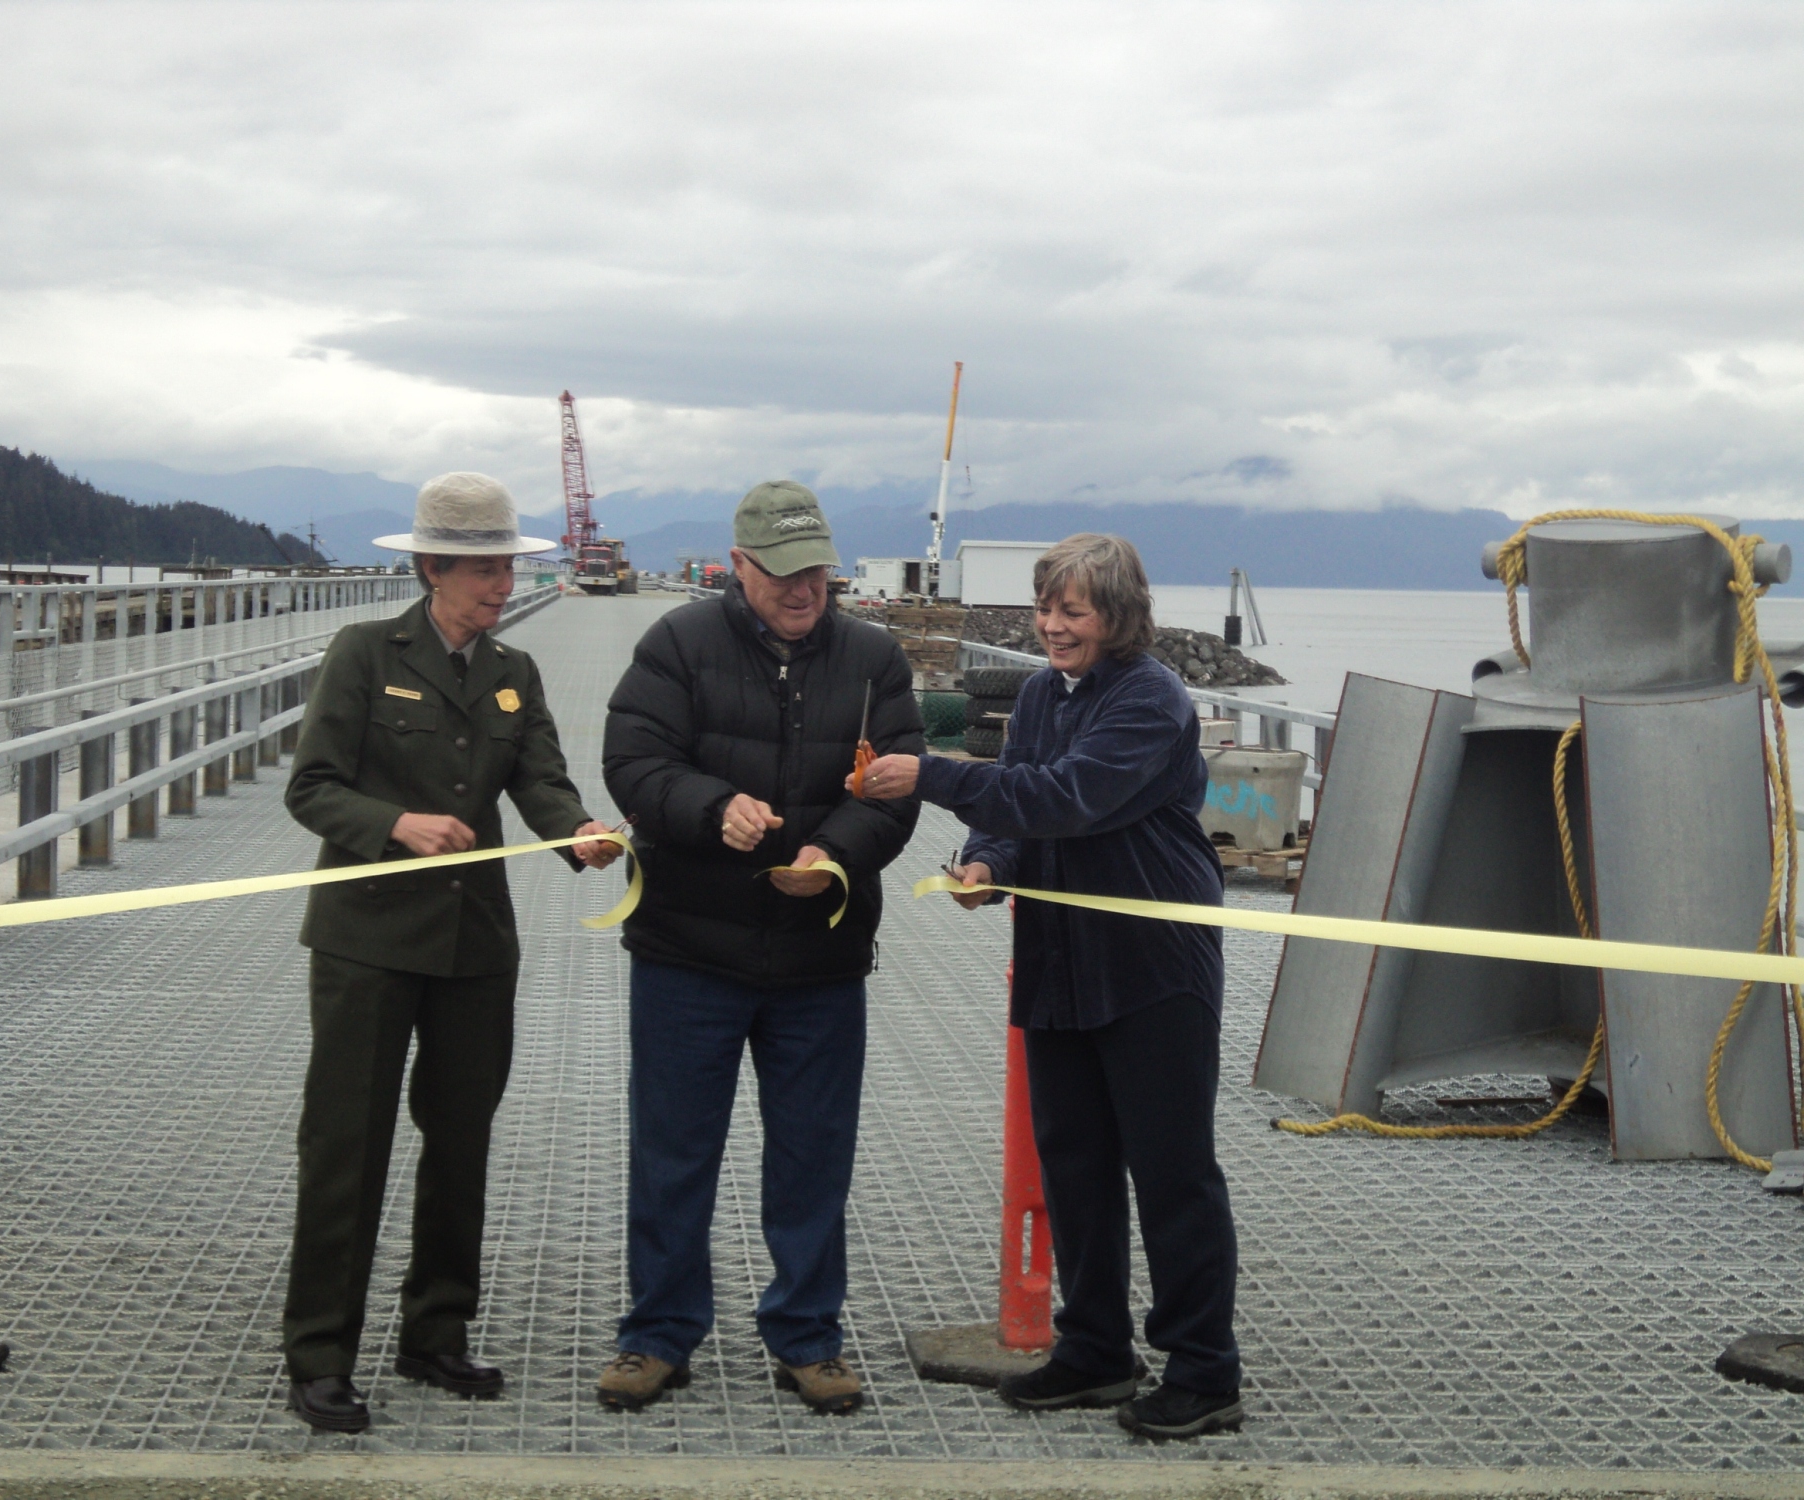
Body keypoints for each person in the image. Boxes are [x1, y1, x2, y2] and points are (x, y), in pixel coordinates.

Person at [861, 532, 1244, 1442]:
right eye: (1046, 609)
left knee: (1171, 1172)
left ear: (1116, 616)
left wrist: (933, 777)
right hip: (1061, 961)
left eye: (1072, 611)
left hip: (1153, 965)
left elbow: (1070, 796)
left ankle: (1205, 1370)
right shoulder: (1037, 692)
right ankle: (1096, 1348)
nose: (1051, 627)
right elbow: (1022, 806)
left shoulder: (1151, 697)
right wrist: (986, 861)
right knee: (1074, 1164)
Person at [280, 472, 622, 1434]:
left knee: (460, 1139)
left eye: (508, 569)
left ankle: (435, 1332)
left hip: (475, 945)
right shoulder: (362, 654)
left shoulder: (514, 669)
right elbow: (311, 790)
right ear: (431, 567)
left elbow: (542, 780)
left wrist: (578, 834)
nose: (501, 586)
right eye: (482, 570)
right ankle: (319, 1353)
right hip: (368, 943)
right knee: (347, 1145)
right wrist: (395, 824)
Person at [596, 480, 924, 1415]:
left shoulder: (873, 659)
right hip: (687, 951)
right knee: (672, 1151)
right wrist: (710, 807)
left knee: (815, 1154)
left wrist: (836, 858)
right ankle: (657, 1335)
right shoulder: (676, 644)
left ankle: (808, 1334)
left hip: (818, 959)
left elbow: (892, 792)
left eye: (816, 570)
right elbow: (634, 762)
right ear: (738, 566)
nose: (802, 589)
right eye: (781, 572)